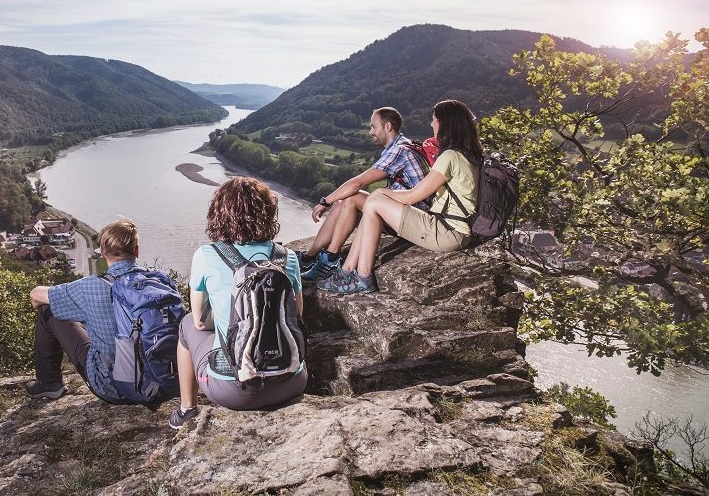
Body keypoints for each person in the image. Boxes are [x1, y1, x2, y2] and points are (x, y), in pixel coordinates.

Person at [169, 176, 308, 429]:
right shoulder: (286, 257)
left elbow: (200, 321)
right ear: (268, 213)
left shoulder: (207, 255)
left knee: (186, 323)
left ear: (219, 214)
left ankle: (186, 410)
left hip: (235, 391)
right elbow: (296, 314)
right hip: (293, 382)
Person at [320, 99, 482, 294]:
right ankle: (348, 271)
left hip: (447, 232)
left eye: (434, 120)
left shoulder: (449, 157)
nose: (431, 124)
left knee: (374, 202)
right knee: (374, 202)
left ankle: (361, 275)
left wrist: (381, 192)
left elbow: (413, 196)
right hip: (455, 229)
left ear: (445, 123)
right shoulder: (469, 154)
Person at [299, 106, 429, 281]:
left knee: (351, 197)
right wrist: (333, 200)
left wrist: (325, 201)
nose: (370, 131)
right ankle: (310, 257)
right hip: (402, 212)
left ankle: (330, 260)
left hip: (412, 219)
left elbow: (358, 183)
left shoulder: (399, 150)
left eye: (373, 126)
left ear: (388, 127)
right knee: (342, 201)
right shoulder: (403, 144)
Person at [26, 218, 142, 403]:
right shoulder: (162, 281)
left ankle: (49, 384)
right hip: (158, 383)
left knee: (49, 308)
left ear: (102, 252)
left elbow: (35, 295)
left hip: (113, 386)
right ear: (136, 250)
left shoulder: (91, 287)